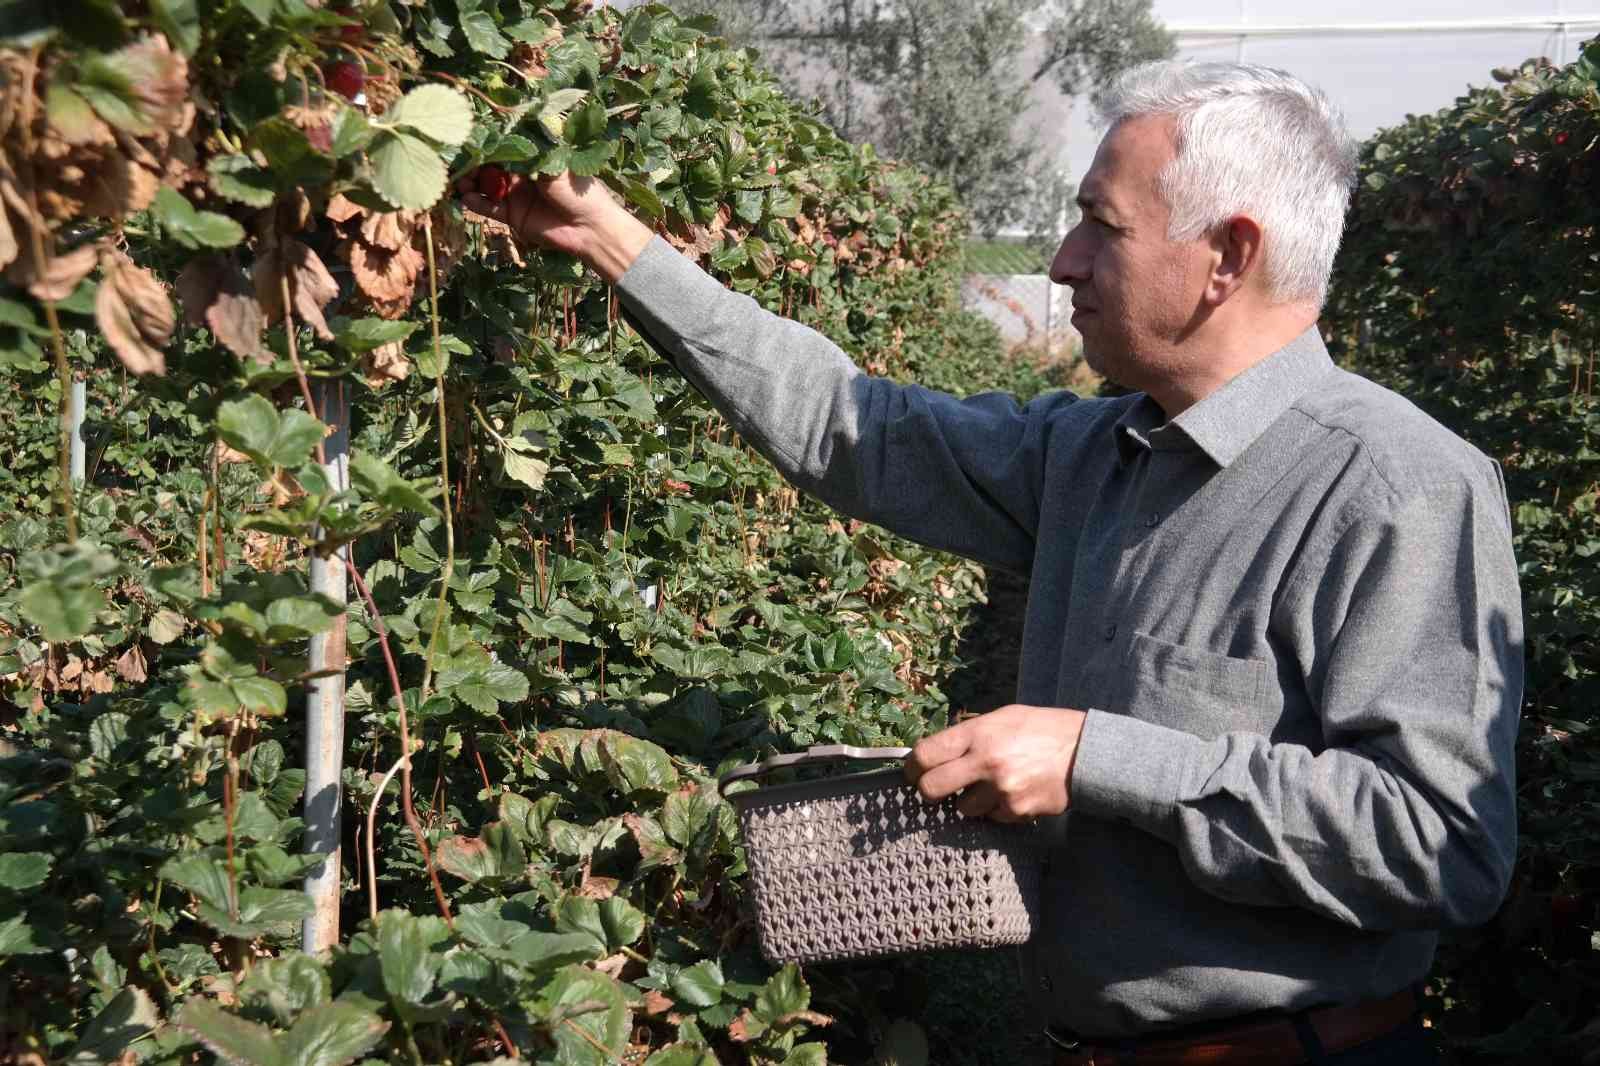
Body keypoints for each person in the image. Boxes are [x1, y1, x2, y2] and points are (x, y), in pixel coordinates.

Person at [461, 60, 1522, 1066]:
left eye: (1100, 226)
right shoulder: (1095, 452)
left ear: (1227, 256)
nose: (1061, 261)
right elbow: (853, 427)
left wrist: (1095, 756)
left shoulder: (1397, 487)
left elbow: (1439, 844)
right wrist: (610, 240)